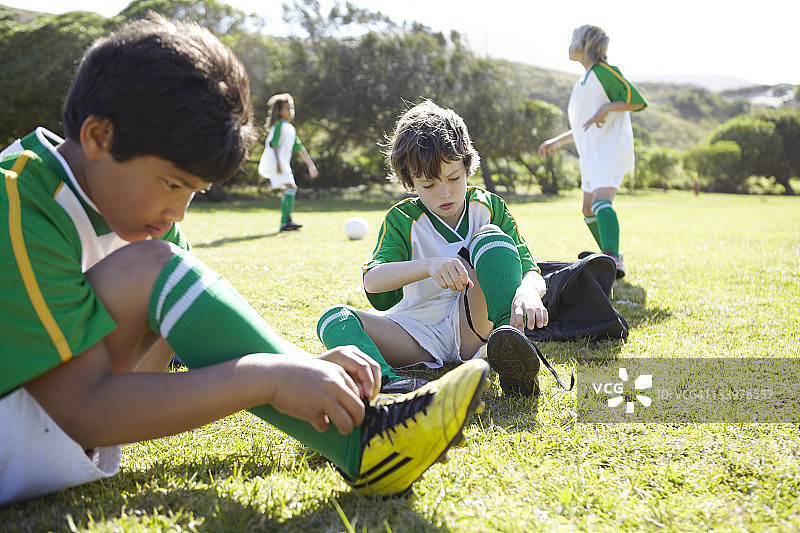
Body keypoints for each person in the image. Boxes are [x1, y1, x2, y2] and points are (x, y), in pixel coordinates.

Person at [0, 16, 490, 505]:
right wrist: (270, 378)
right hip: (36, 429)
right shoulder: (19, 198)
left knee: (157, 272)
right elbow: (82, 413)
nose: (178, 211)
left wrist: (304, 371)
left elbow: (190, 352)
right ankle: (363, 444)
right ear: (99, 138)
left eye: (193, 192)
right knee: (148, 270)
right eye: (172, 184)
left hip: (55, 431)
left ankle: (361, 433)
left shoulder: (153, 224)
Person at [317, 101, 550, 399]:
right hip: (414, 333)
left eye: (453, 178)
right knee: (334, 318)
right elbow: (373, 281)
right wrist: (429, 266)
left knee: (489, 236)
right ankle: (388, 383)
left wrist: (528, 293)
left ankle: (510, 346)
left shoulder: (489, 206)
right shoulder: (402, 219)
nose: (444, 193)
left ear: (467, 165)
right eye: (428, 184)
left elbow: (531, 270)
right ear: (409, 181)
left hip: (475, 328)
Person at [538, 24, 647, 279]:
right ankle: (611, 257)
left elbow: (637, 101)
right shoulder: (583, 81)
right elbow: (582, 126)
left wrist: (607, 109)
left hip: (610, 152)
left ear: (583, 46)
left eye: (572, 40)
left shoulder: (604, 71)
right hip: (593, 155)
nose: (568, 46)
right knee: (588, 209)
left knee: (601, 202)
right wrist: (557, 141)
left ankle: (611, 256)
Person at [257, 93, 318, 232]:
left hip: (283, 165)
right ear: (279, 111)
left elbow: (300, 148)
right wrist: (278, 164)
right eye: (286, 109)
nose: (290, 111)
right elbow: (274, 144)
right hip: (276, 164)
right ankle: (285, 222)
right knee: (291, 187)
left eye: (291, 108)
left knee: (289, 189)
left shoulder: (290, 128)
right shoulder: (279, 125)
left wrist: (311, 165)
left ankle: (287, 221)